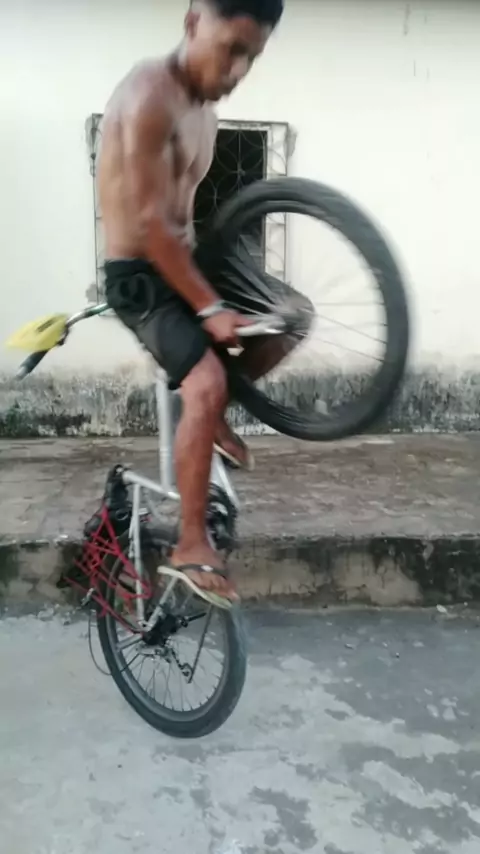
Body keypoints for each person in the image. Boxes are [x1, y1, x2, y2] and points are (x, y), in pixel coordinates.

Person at [99, 0, 312, 606]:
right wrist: (208, 308)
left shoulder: (206, 114)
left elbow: (185, 216)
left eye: (253, 57)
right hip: (140, 276)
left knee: (289, 317)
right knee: (205, 381)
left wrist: (220, 291)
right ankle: (190, 544)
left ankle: (213, 415)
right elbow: (149, 224)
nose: (239, 70)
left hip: (185, 261)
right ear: (194, 21)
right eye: (232, 50)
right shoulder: (149, 94)